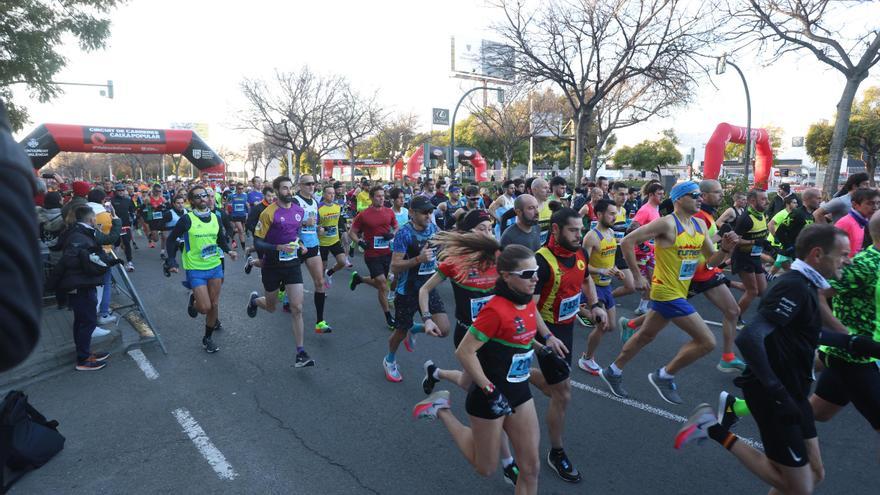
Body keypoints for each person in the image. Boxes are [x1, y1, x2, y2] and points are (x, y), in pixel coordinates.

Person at [675, 224, 853, 495]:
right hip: (775, 396)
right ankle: (711, 427)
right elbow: (749, 337)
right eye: (842, 254)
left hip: (795, 392)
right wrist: (777, 391)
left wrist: (861, 345)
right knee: (799, 487)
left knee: (815, 474)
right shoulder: (793, 287)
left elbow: (807, 335)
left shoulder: (807, 286)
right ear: (817, 254)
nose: (848, 260)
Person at [413, 241, 568, 495]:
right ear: (506, 277)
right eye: (528, 275)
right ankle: (440, 409)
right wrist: (489, 389)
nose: (535, 279)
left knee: (531, 469)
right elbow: (464, 351)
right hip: (489, 397)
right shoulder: (495, 310)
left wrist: (545, 350)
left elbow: (522, 335)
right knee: (485, 468)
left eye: (536, 272)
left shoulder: (527, 300)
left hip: (519, 394)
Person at [600, 181, 739, 404]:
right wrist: (636, 275)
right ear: (679, 199)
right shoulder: (666, 224)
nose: (699, 198)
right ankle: (664, 375)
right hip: (666, 292)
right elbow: (627, 241)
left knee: (645, 336)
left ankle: (613, 371)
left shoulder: (700, 226)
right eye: (693, 195)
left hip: (680, 291)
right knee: (707, 341)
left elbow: (712, 262)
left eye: (699, 195)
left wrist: (725, 249)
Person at [532, 207, 607, 483]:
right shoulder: (540, 262)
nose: (579, 235)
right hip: (546, 332)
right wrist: (547, 337)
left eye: (581, 229)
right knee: (562, 394)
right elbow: (530, 307)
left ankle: (521, 375)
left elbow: (586, 279)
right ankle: (556, 451)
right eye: (573, 230)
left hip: (566, 329)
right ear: (555, 230)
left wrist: (595, 305)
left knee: (557, 386)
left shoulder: (580, 254)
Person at [245, 176, 315, 367]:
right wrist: (277, 247)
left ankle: (300, 353)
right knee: (271, 306)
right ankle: (254, 300)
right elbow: (258, 241)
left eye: (290, 188)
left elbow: (294, 234)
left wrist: (300, 245)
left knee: (297, 308)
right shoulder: (268, 213)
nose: (288, 192)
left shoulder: (299, 211)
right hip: (272, 265)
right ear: (276, 191)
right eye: (284, 188)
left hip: (292, 264)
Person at [165, 185, 238, 353]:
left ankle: (207, 338)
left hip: (214, 265)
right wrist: (171, 261)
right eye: (197, 197)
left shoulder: (215, 217)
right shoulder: (187, 219)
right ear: (191, 201)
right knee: (204, 307)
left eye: (204, 195)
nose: (202, 199)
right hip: (195, 267)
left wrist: (229, 251)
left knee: (214, 304)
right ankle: (195, 301)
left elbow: (220, 239)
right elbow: (171, 240)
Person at [382, 196, 448, 382]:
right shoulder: (404, 233)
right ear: (412, 213)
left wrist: (441, 258)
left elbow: (442, 246)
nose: (429, 215)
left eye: (430, 211)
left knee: (443, 329)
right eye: (424, 212)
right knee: (400, 331)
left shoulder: (434, 229)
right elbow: (394, 266)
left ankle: (414, 329)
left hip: (427, 287)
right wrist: (419, 259)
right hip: (407, 290)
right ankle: (390, 360)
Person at [57, 206, 122, 370]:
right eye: (94, 218)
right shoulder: (80, 235)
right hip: (80, 283)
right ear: (91, 219)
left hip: (80, 282)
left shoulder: (76, 230)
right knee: (87, 320)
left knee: (82, 320)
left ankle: (85, 353)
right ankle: (83, 360)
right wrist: (116, 220)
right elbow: (110, 239)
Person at [577, 199, 625, 375]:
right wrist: (601, 270)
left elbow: (609, 260)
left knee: (611, 326)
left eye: (615, 213)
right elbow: (582, 266)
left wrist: (616, 271)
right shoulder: (591, 237)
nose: (615, 216)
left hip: (606, 286)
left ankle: (581, 310)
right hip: (594, 287)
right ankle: (587, 359)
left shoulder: (611, 232)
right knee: (603, 326)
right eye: (611, 213)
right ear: (599, 215)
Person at [349, 186, 399, 329]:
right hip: (371, 254)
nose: (381, 198)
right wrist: (359, 241)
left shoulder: (389, 212)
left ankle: (359, 279)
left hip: (386, 253)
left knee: (380, 283)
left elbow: (396, 227)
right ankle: (389, 317)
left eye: (383, 196)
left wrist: (392, 234)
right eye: (378, 196)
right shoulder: (363, 215)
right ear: (371, 198)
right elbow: (352, 232)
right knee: (383, 284)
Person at [292, 175, 332, 333]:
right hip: (296, 246)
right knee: (289, 282)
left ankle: (319, 322)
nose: (311, 186)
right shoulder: (295, 201)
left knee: (320, 282)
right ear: (300, 185)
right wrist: (303, 223)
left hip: (313, 245)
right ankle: (282, 289)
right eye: (308, 184)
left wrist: (318, 229)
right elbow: (288, 223)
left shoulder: (315, 202)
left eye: (313, 183)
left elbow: (315, 223)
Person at [731, 189, 770, 325]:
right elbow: (734, 240)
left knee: (762, 291)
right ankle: (735, 318)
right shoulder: (745, 219)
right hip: (743, 257)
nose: (767, 201)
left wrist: (767, 245)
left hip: (755, 256)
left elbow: (760, 236)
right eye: (763, 199)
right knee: (752, 291)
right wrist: (754, 242)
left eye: (766, 198)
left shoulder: (762, 215)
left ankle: (729, 283)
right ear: (752, 201)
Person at [628, 182, 664, 315]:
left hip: (651, 252)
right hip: (641, 253)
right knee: (635, 285)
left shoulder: (655, 209)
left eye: (662, 194)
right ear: (651, 195)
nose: (662, 196)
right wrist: (642, 244)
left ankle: (643, 307)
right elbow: (632, 228)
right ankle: (601, 299)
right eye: (659, 194)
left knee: (653, 281)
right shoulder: (645, 209)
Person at [833, 187, 880, 257]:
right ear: (854, 204)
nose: (875, 207)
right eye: (870, 203)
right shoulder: (845, 223)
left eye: (878, 203)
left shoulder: (864, 221)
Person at [317, 184, 346, 289]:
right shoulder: (318, 208)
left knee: (342, 262)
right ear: (324, 194)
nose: (332, 195)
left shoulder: (337, 206)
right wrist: (319, 229)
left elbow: (340, 221)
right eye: (329, 193)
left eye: (333, 193)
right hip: (322, 242)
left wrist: (343, 232)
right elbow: (315, 224)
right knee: (322, 266)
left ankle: (329, 272)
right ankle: (322, 287)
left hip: (335, 240)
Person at [110, 183, 137, 271]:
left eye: (122, 190)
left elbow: (133, 210)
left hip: (126, 224)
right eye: (119, 190)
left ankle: (129, 262)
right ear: (115, 191)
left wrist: (133, 218)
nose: (121, 192)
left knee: (126, 242)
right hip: (114, 225)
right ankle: (115, 256)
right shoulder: (111, 201)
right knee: (116, 242)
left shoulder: (128, 200)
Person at [227, 183, 249, 251]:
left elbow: (247, 205)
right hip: (235, 216)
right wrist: (226, 210)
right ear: (236, 188)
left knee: (241, 231)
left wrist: (247, 213)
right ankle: (244, 247)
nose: (241, 190)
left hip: (243, 215)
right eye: (239, 188)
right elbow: (226, 203)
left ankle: (232, 233)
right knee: (241, 230)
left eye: (242, 188)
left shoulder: (245, 196)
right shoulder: (232, 195)